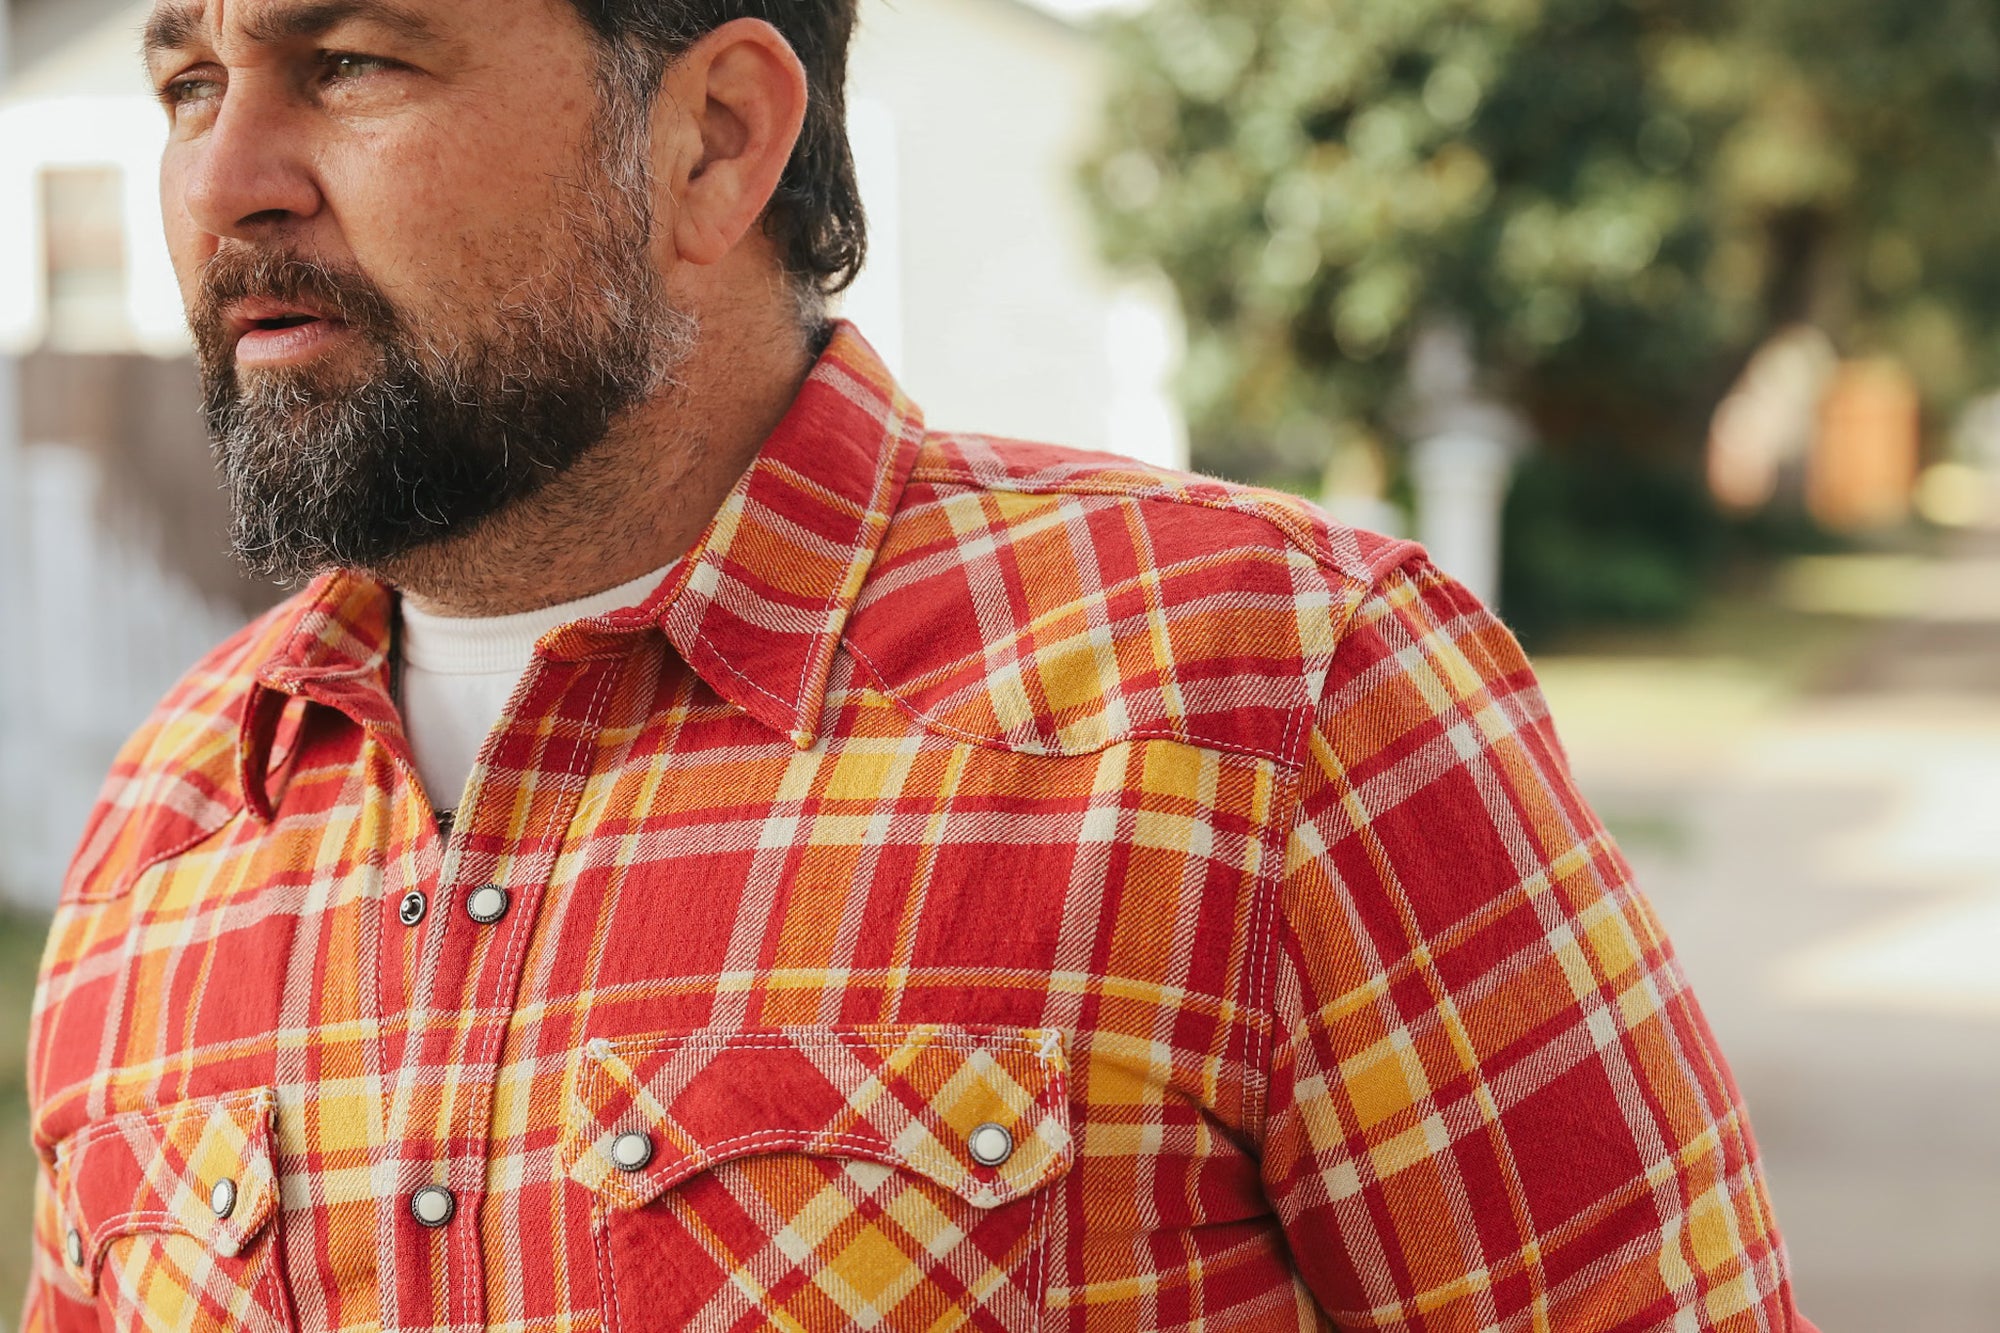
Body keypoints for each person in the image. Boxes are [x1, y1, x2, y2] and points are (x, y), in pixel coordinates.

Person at [22, 1, 1817, 1329]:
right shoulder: (168, 828)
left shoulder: (1280, 700)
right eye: (187, 84)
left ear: (715, 138)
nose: (226, 181)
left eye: (350, 65)